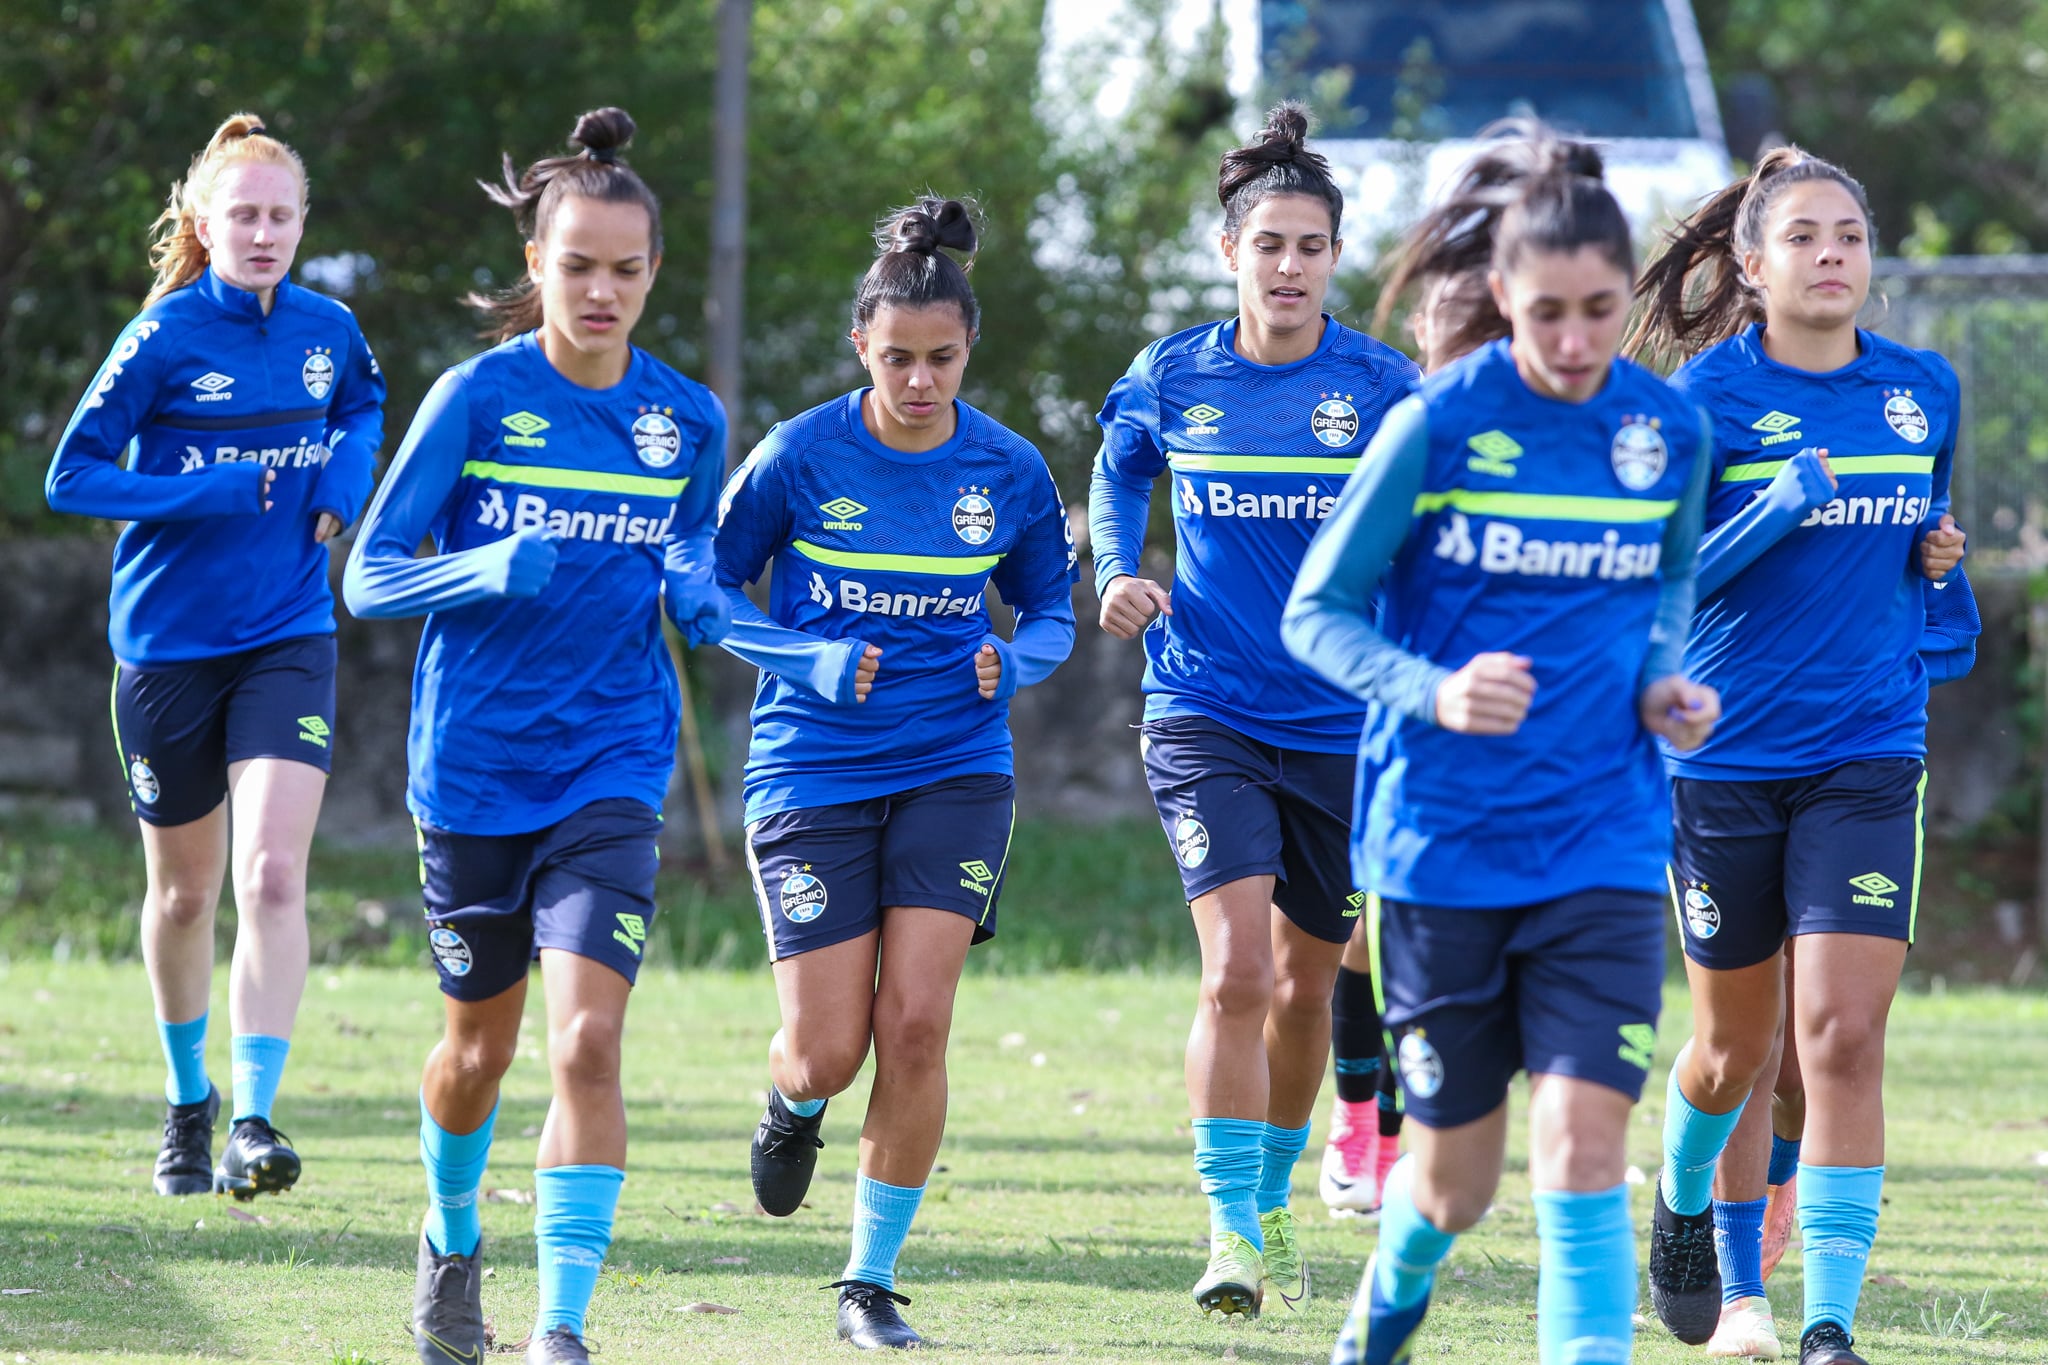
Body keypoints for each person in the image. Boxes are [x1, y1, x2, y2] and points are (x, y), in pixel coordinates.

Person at [1281, 125, 1720, 1365]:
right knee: (1454, 1189)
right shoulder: (1436, 423)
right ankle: (1390, 1292)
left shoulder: (1666, 436)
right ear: (1501, 300)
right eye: (1544, 316)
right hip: (1441, 855)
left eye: (1595, 312)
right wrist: (1431, 689)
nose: (1574, 344)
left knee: (1583, 1155)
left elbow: (1670, 580)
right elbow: (1313, 615)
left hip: (1605, 845)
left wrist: (1660, 683)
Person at [341, 108, 729, 1365]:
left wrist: (730, 612)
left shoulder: (688, 422)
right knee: (475, 1049)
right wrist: (482, 567)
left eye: (624, 269)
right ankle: (452, 1244)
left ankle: (562, 1322)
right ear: (537, 266)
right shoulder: (476, 396)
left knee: (587, 1036)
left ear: (653, 271)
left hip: (614, 760)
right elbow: (371, 578)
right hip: (472, 767)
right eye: (576, 267)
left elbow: (696, 573)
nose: (601, 291)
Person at [715, 196, 1078, 1351]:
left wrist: (1011, 658)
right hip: (811, 770)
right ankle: (792, 1102)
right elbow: (709, 592)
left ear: (969, 350)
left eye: (941, 358)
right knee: (831, 1045)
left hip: (956, 767)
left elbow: (1052, 610)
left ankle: (866, 1284)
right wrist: (804, 656)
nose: (919, 381)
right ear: (859, 350)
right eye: (896, 359)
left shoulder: (1008, 469)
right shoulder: (799, 454)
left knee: (915, 1023)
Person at [1628, 146, 1968, 1365]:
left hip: (1868, 750)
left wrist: (1937, 563)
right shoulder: (1697, 404)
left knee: (1838, 1039)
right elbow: (1653, 588)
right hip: (1721, 762)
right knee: (1738, 1051)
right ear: (1751, 264)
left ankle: (1809, 1317)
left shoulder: (1920, 391)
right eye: (1806, 237)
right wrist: (1772, 509)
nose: (1832, 255)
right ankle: (1682, 1212)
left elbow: (1927, 554)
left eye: (1850, 237)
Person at [1089, 102, 1420, 1315]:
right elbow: (1116, 468)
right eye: (1267, 244)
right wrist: (1117, 567)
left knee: (1304, 991)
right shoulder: (1173, 372)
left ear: (1337, 259)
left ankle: (1272, 1198)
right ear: (1228, 251)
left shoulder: (1383, 386)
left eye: (1310, 247)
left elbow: (1434, 537)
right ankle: (1230, 1228)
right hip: (1203, 706)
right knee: (1231, 974)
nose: (1287, 266)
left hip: (1341, 728)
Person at [44, 113, 385, 1201]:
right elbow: (72, 477)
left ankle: (254, 1120)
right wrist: (203, 491)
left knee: (274, 873)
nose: (264, 232)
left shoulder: (330, 328)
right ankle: (187, 1102)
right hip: (167, 648)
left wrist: (343, 480)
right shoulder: (161, 339)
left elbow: (363, 406)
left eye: (282, 215)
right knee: (185, 898)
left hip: (287, 634)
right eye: (243, 214)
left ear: (302, 226)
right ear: (203, 221)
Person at [1319, 126, 1560, 1222]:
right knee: (1370, 942)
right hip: (1403, 742)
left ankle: (1420, 1133)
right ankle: (1364, 1118)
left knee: (1512, 986)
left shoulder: (1595, 423)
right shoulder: (1402, 428)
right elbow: (1322, 600)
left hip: (1554, 773)